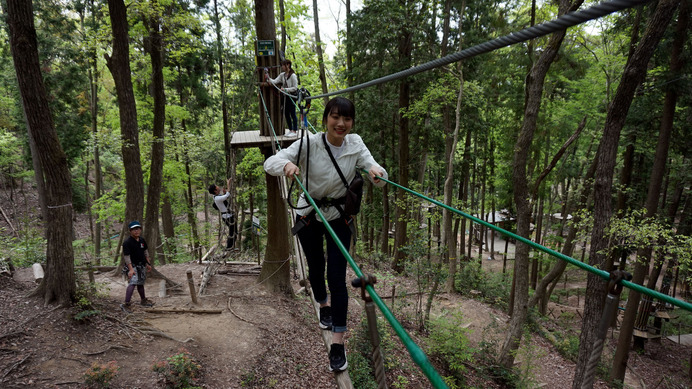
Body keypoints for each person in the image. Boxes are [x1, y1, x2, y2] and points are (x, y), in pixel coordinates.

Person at [263, 97, 387, 372]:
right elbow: (272, 160)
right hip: (308, 214)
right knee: (316, 267)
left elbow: (373, 167)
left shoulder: (355, 143)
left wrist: (377, 173)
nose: (341, 124)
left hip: (339, 216)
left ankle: (338, 342)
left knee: (337, 278)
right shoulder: (308, 143)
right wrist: (286, 166)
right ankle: (323, 304)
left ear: (352, 122)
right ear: (325, 119)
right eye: (335, 117)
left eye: (347, 119)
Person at [120, 221, 154, 310]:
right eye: (134, 229)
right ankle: (126, 303)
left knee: (140, 283)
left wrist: (148, 263)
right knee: (133, 283)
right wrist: (131, 269)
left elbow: (145, 252)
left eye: (138, 229)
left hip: (142, 265)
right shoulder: (127, 242)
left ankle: (143, 300)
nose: (136, 231)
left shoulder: (142, 240)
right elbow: (127, 257)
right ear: (130, 231)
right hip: (133, 265)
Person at [265, 59, 299, 137]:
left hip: (292, 96)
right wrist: (268, 78)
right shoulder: (282, 75)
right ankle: (290, 129)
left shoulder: (293, 76)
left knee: (292, 113)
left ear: (288, 65)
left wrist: (285, 89)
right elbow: (275, 81)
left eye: (283, 65)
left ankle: (294, 130)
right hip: (285, 97)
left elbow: (295, 88)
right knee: (286, 113)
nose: (282, 67)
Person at [208, 178, 237, 250]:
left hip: (228, 215)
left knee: (234, 231)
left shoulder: (217, 196)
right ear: (215, 190)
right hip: (227, 216)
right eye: (216, 186)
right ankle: (229, 247)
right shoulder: (217, 198)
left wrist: (224, 192)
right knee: (233, 232)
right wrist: (228, 184)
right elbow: (227, 196)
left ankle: (230, 246)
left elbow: (224, 198)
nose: (218, 186)